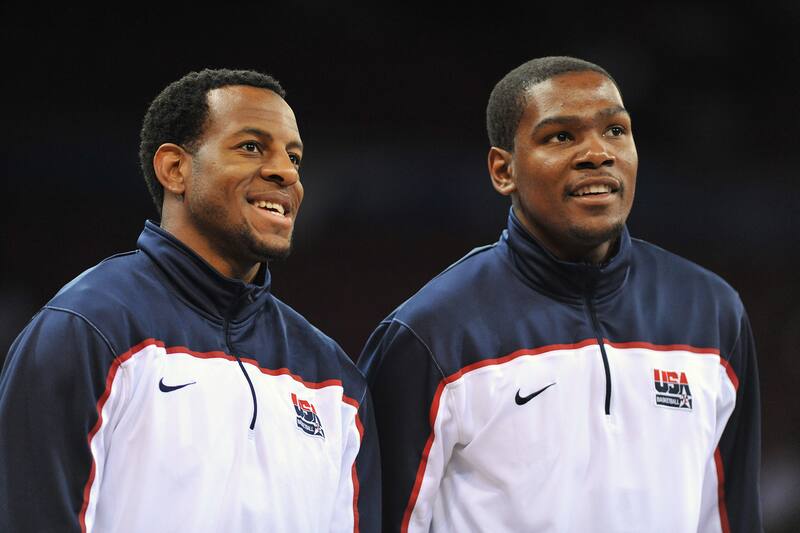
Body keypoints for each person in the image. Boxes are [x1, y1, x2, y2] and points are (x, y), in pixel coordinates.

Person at [358, 56, 762, 533]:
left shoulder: (712, 313)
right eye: (561, 137)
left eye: (615, 131)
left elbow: (731, 517)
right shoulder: (430, 335)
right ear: (503, 170)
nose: (598, 153)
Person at [0, 68, 379, 532]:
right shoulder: (89, 329)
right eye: (251, 147)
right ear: (175, 169)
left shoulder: (335, 379)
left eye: (295, 158)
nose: (285, 172)